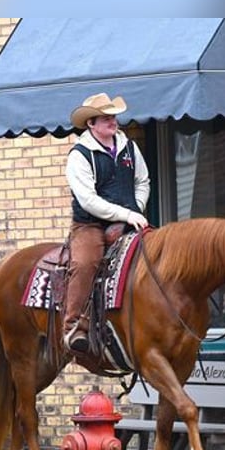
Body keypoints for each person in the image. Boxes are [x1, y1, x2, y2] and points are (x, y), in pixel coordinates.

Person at [63, 92, 150, 354]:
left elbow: (142, 182)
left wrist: (137, 208)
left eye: (113, 116)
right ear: (91, 124)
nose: (113, 121)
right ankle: (74, 325)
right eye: (106, 117)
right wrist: (126, 215)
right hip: (90, 225)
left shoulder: (130, 148)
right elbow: (88, 200)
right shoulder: (79, 155)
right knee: (85, 263)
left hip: (130, 219)